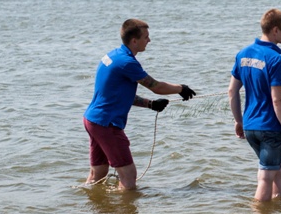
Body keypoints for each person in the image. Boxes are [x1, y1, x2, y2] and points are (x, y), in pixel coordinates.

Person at [83, 18, 196, 190]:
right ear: (134, 41)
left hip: (92, 120)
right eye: (146, 37)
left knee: (97, 173)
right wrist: (181, 88)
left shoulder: (113, 55)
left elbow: (118, 95)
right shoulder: (127, 63)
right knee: (128, 175)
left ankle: (92, 212)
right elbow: (156, 86)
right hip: (107, 124)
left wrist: (150, 105)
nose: (149, 40)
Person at [227, 8, 281, 202]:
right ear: (275, 30)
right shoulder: (276, 59)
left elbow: (232, 91)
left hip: (250, 126)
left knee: (275, 168)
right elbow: (278, 100)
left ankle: (279, 205)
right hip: (270, 127)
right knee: (265, 177)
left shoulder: (243, 54)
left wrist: (238, 121)